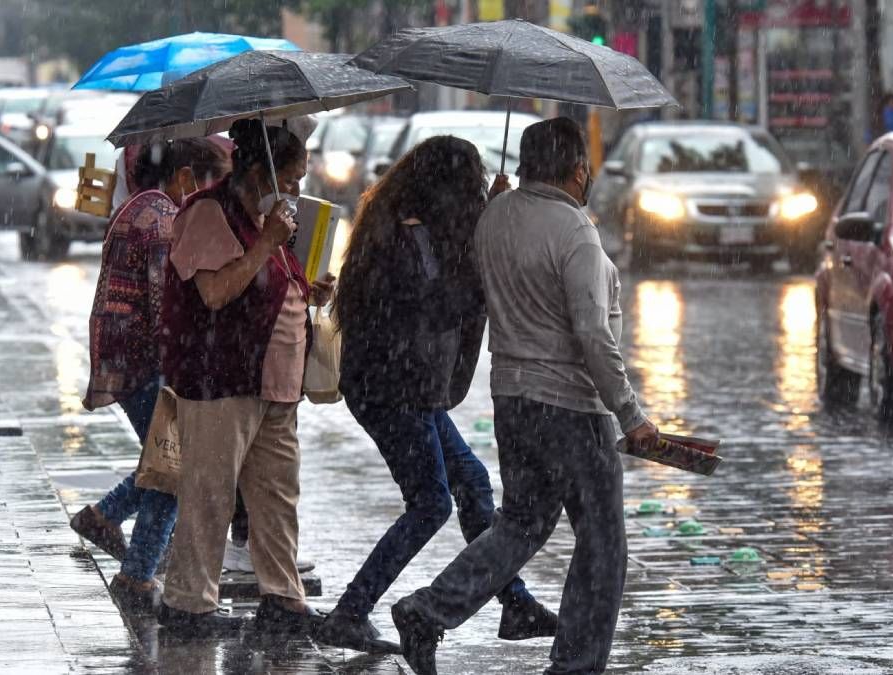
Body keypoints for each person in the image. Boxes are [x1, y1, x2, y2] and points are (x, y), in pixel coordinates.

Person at [389, 118, 659, 675]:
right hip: (571, 406)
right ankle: (576, 664)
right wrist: (630, 413)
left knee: (520, 524)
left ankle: (429, 610)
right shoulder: (574, 230)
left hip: (513, 401)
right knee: (603, 544)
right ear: (578, 169)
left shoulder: (494, 218)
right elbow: (592, 332)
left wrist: (496, 206)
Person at [316, 136, 557, 654]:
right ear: (445, 187)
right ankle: (351, 612)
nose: (472, 193)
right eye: (468, 184)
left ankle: (514, 604)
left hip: (408, 388)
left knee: (471, 482)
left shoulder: (418, 228)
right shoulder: (404, 237)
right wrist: (482, 250)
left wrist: (489, 218)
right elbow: (438, 304)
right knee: (430, 504)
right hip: (391, 390)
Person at [157, 118, 334, 637]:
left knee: (277, 498)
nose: (299, 188)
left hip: (275, 385)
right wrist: (268, 243)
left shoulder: (267, 218)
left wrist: (307, 290)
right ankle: (188, 603)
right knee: (209, 493)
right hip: (222, 378)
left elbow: (270, 281)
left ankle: (282, 596)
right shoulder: (210, 213)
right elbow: (215, 292)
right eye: (294, 178)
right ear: (262, 171)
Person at [74, 138, 229, 611]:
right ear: (184, 177)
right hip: (145, 361)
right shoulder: (162, 219)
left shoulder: (138, 205)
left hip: (125, 355)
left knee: (165, 459)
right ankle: (137, 573)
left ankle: (105, 517)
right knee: (174, 466)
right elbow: (168, 305)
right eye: (207, 184)